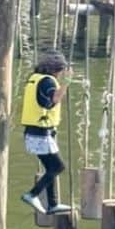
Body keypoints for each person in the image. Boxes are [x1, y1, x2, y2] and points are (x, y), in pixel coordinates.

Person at [19, 51, 73, 215]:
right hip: (40, 133)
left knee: (50, 167)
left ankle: (53, 204)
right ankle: (32, 194)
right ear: (57, 69)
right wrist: (67, 82)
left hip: (34, 131)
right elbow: (54, 100)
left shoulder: (34, 78)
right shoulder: (48, 81)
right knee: (58, 167)